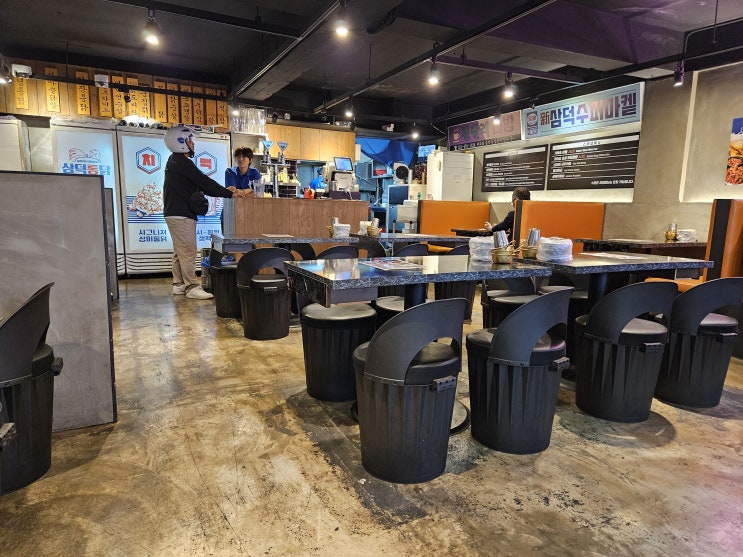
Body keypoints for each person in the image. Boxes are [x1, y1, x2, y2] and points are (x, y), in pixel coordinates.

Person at [163, 126, 245, 300]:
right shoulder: (181, 162)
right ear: (180, 143)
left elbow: (200, 184)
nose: (193, 143)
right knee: (188, 250)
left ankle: (179, 284)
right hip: (181, 214)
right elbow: (204, 182)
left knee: (180, 250)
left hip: (175, 212)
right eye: (189, 140)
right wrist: (229, 193)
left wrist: (225, 191)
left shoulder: (175, 162)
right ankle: (191, 286)